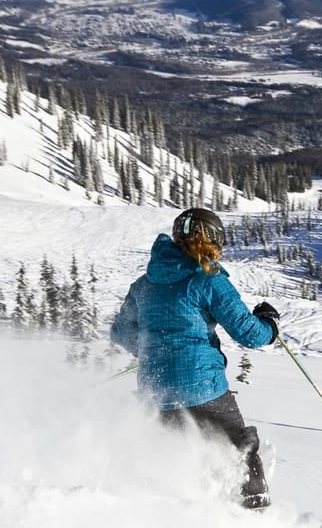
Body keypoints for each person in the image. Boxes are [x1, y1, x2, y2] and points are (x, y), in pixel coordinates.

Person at [110, 207, 281, 510]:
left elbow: (121, 331)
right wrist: (270, 325)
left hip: (155, 391)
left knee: (175, 456)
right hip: (203, 387)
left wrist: (153, 349)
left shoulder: (144, 284)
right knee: (239, 447)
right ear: (212, 238)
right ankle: (255, 509)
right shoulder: (208, 279)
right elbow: (249, 334)